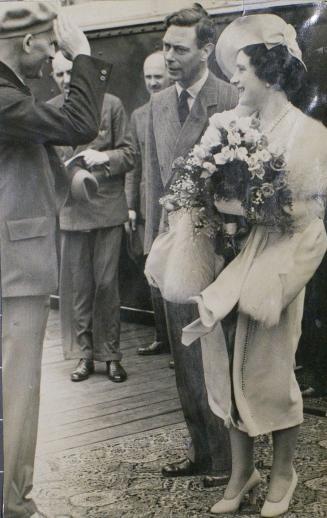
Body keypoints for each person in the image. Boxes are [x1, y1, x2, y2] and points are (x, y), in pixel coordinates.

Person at [181, 14, 327, 516]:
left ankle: (284, 470)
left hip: (280, 258)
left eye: (242, 68)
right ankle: (242, 472)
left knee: (269, 367)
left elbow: (306, 213)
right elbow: (200, 183)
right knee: (221, 362)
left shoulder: (308, 133)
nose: (235, 79)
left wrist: (247, 207)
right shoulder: (228, 125)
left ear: (268, 72)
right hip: (229, 255)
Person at [0, 2, 111, 516]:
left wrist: (69, 175)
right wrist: (83, 55)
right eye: (49, 45)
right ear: (27, 43)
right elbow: (80, 122)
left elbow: (26, 149)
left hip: (12, 265)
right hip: (13, 271)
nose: (52, 57)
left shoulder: (10, 95)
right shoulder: (3, 97)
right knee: (16, 396)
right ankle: (14, 506)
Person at [144, 4, 238, 483]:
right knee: (182, 357)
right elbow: (153, 180)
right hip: (172, 243)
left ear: (206, 49)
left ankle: (227, 459)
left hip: (217, 247)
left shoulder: (231, 96)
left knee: (214, 353)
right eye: (165, 47)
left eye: (179, 49)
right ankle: (200, 450)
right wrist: (151, 246)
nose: (169, 57)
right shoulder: (159, 104)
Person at [51, 50, 134, 383]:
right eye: (59, 74)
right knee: (80, 287)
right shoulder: (51, 110)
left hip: (106, 207)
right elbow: (47, 161)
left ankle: (111, 354)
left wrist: (103, 156)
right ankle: (84, 355)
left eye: (71, 71)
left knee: (106, 284)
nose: (67, 79)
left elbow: (129, 154)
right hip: (71, 210)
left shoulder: (111, 104)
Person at [125, 51, 172, 359]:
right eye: (148, 77)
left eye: (159, 76)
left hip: (174, 205)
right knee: (153, 272)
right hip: (147, 208)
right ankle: (162, 338)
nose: (153, 83)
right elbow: (133, 164)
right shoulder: (139, 115)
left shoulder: (180, 110)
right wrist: (130, 206)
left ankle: (183, 345)